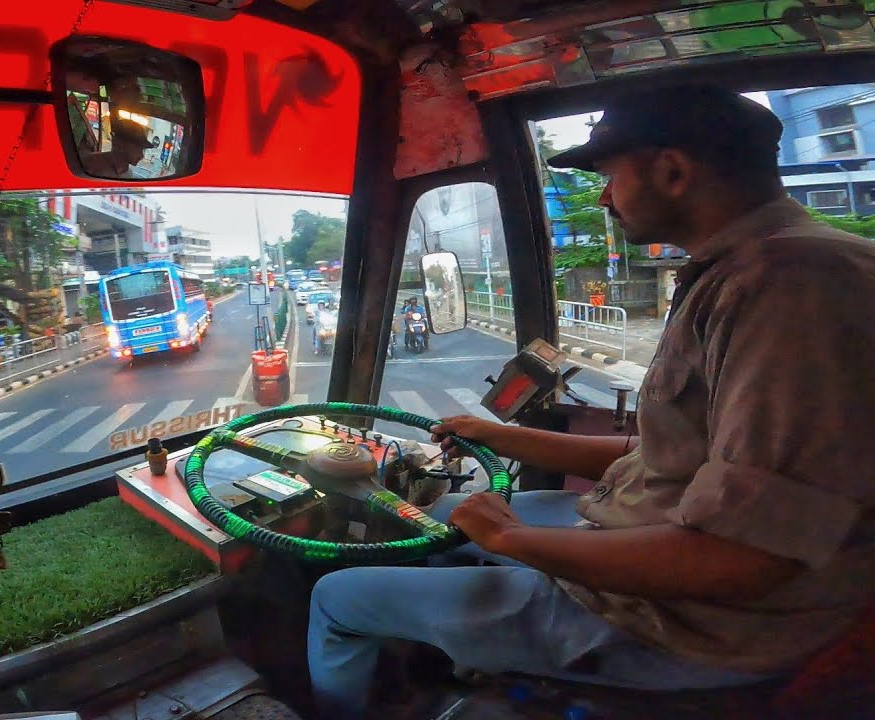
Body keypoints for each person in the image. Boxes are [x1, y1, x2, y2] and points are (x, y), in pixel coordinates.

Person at [308, 84, 875, 720]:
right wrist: (509, 439)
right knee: (446, 508)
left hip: (685, 627)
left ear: (672, 170)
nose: (603, 196)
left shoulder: (789, 289)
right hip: (649, 538)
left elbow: (745, 558)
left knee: (336, 598)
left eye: (609, 175)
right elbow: (675, 455)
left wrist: (512, 539)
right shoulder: (748, 271)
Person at [80, 118, 159, 178]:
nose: (142, 156)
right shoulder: (91, 163)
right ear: (121, 143)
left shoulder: (128, 175)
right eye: (138, 149)